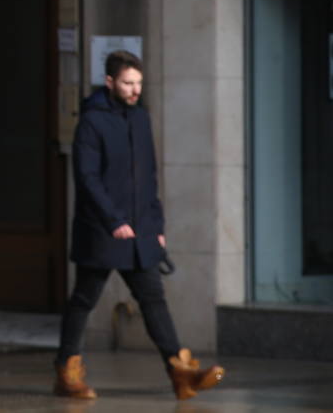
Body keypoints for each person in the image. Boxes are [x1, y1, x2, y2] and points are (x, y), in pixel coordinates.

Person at [53, 50, 224, 400]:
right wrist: (113, 220)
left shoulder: (141, 118)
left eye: (139, 83)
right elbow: (87, 178)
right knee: (85, 298)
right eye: (128, 83)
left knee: (153, 299)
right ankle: (67, 372)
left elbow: (148, 177)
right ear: (110, 82)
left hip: (141, 228)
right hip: (102, 229)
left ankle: (180, 372)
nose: (135, 90)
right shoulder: (92, 122)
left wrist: (156, 225)